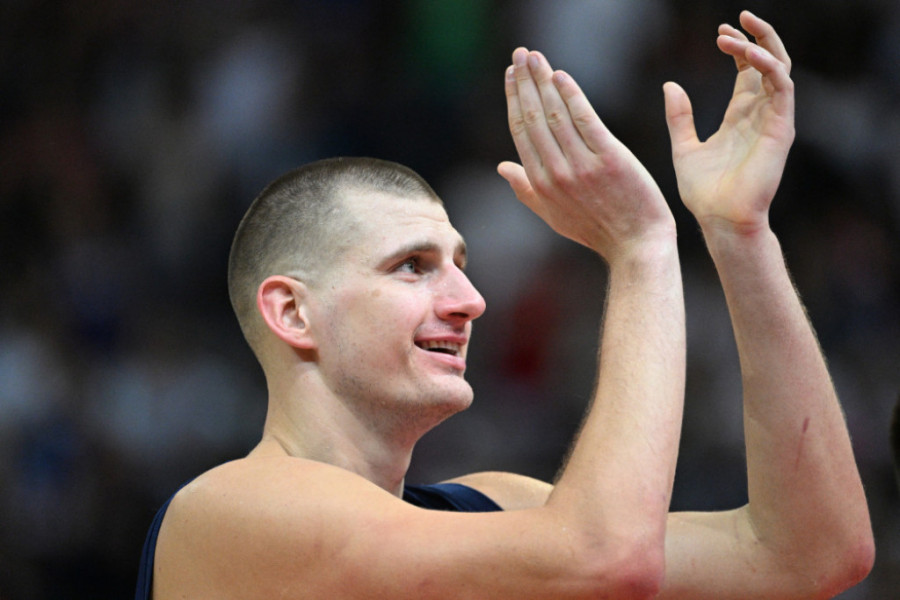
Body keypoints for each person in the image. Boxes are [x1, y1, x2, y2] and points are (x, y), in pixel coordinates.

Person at [136, 11, 873, 599]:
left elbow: (809, 556)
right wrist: (641, 247)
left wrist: (739, 234)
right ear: (293, 314)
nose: (471, 301)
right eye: (412, 267)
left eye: (460, 266)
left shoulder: (495, 510)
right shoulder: (228, 512)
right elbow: (609, 559)